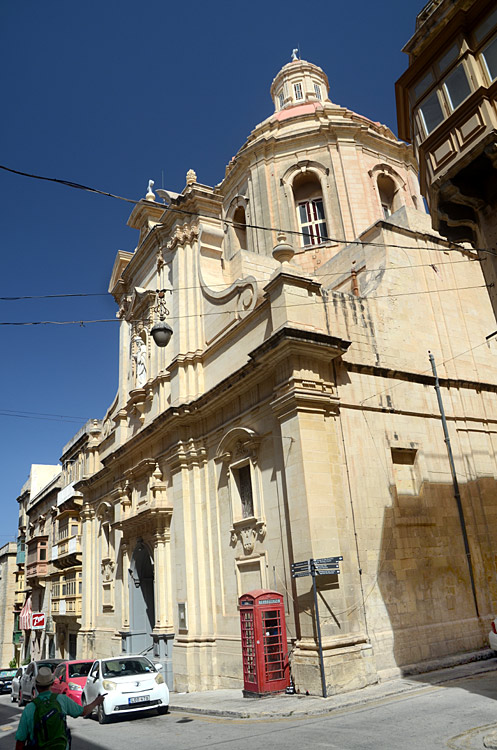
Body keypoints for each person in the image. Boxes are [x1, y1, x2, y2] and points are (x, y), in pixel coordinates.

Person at [15, 666, 106, 750]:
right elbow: (83, 711)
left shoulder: (30, 708)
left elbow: (20, 740)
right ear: (51, 684)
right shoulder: (61, 699)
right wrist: (97, 702)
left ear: (37, 687)